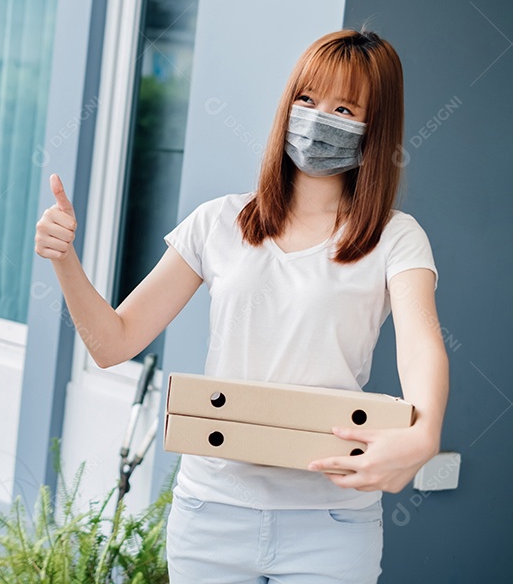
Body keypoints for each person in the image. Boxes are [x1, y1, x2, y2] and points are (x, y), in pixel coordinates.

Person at [34, 29, 447, 583]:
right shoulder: (217, 222)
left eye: (344, 107)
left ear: (376, 128)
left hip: (331, 523)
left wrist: (425, 432)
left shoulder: (395, 238)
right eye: (307, 99)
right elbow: (113, 342)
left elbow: (421, 342)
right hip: (211, 516)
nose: (317, 118)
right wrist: (66, 261)